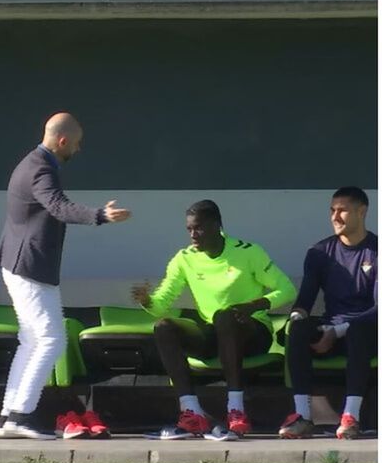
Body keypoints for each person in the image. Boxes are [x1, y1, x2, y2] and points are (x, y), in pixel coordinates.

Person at [0, 112, 131, 439]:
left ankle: (9, 417)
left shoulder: (32, 163)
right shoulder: (40, 169)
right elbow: (58, 207)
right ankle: (20, 417)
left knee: (31, 340)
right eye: (77, 144)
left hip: (22, 264)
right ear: (63, 140)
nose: (78, 150)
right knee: (51, 339)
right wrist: (100, 215)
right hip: (29, 265)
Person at [132, 200, 297, 439]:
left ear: (217, 225)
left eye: (198, 228)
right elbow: (161, 306)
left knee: (224, 317)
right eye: (189, 229)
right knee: (164, 327)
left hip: (253, 333)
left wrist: (253, 306)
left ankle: (236, 410)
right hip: (215, 333)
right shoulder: (184, 258)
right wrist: (147, 301)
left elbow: (287, 289)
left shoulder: (248, 252)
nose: (193, 235)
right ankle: (192, 412)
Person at [279, 187, 377, 440]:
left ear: (362, 212)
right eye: (332, 210)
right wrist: (297, 317)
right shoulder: (319, 252)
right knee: (298, 329)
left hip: (367, 333)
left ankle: (350, 417)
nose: (335, 216)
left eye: (342, 210)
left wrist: (339, 330)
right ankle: (302, 416)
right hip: (330, 331)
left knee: (358, 330)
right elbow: (305, 300)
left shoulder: (376, 250)